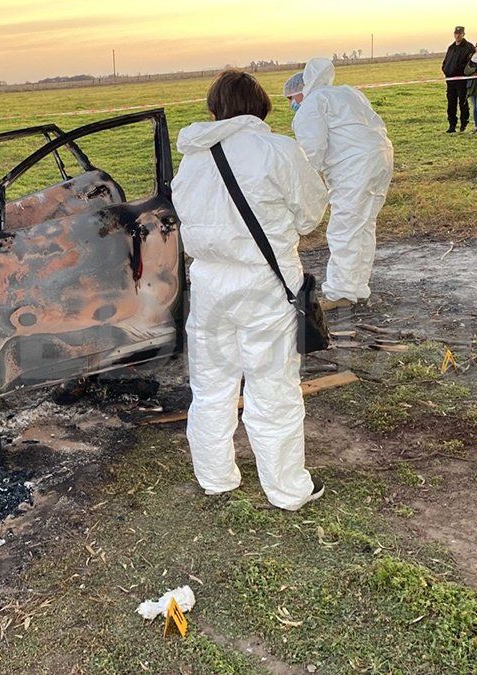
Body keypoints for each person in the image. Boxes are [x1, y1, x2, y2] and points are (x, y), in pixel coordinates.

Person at [172, 70, 329, 510]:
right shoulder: (277, 151)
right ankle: (286, 489)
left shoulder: (192, 160)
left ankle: (215, 477)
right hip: (265, 286)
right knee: (272, 388)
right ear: (261, 106)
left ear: (214, 110)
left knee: (210, 386)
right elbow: (311, 214)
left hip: (207, 286)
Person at [288, 57, 394, 309]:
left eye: (291, 98)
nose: (291, 104)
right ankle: (357, 286)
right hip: (381, 159)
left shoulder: (313, 104)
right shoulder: (348, 93)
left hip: (354, 166)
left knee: (344, 227)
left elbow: (311, 151)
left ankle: (340, 293)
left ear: (302, 90)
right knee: (364, 224)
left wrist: (302, 187)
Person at [442, 26, 475, 133]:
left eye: (460, 33)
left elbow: (470, 63)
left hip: (461, 80)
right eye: (456, 33)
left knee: (463, 103)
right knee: (451, 103)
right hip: (450, 80)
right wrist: (446, 70)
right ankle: (452, 125)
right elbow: (445, 62)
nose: (457, 35)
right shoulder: (451, 48)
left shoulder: (469, 47)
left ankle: (463, 124)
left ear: (463, 34)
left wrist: (458, 71)